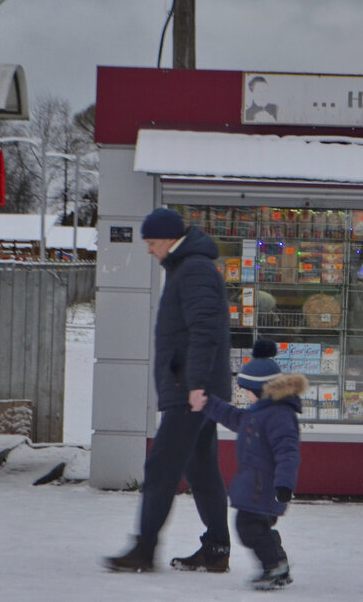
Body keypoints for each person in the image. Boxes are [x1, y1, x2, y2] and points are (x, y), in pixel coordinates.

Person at [105, 207, 233, 573]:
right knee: (202, 470)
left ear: (168, 239)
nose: (149, 249)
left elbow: (204, 331)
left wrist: (196, 385)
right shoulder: (187, 267)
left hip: (190, 389)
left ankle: (144, 549)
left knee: (162, 467)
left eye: (151, 242)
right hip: (192, 386)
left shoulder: (194, 270)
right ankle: (217, 550)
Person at [193, 339, 305, 591]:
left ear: (261, 389)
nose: (245, 395)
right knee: (258, 528)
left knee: (247, 528)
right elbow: (232, 417)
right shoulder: (259, 413)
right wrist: (208, 403)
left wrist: (284, 485)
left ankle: (274, 566)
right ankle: (278, 563)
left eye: (247, 390)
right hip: (257, 488)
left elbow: (288, 452)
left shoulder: (279, 416)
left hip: (266, 489)